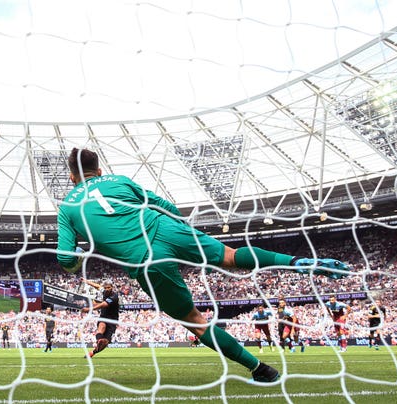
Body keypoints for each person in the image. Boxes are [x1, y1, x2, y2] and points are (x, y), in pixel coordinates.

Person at [56, 148, 351, 382]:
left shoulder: (68, 207)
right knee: (232, 256)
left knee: (195, 321)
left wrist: (84, 253)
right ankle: (298, 262)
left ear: (72, 178)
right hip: (165, 228)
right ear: (99, 171)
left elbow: (65, 259)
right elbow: (166, 207)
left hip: (142, 258)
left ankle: (261, 369)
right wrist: (181, 234)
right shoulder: (119, 180)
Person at [80, 278, 120, 358]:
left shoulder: (114, 296)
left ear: (112, 287)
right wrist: (87, 281)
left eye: (108, 287)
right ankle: (99, 340)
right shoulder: (104, 292)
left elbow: (103, 305)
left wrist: (89, 309)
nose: (107, 289)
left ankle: (93, 352)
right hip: (103, 317)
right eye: (105, 288)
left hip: (112, 320)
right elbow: (97, 286)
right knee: (102, 326)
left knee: (105, 342)